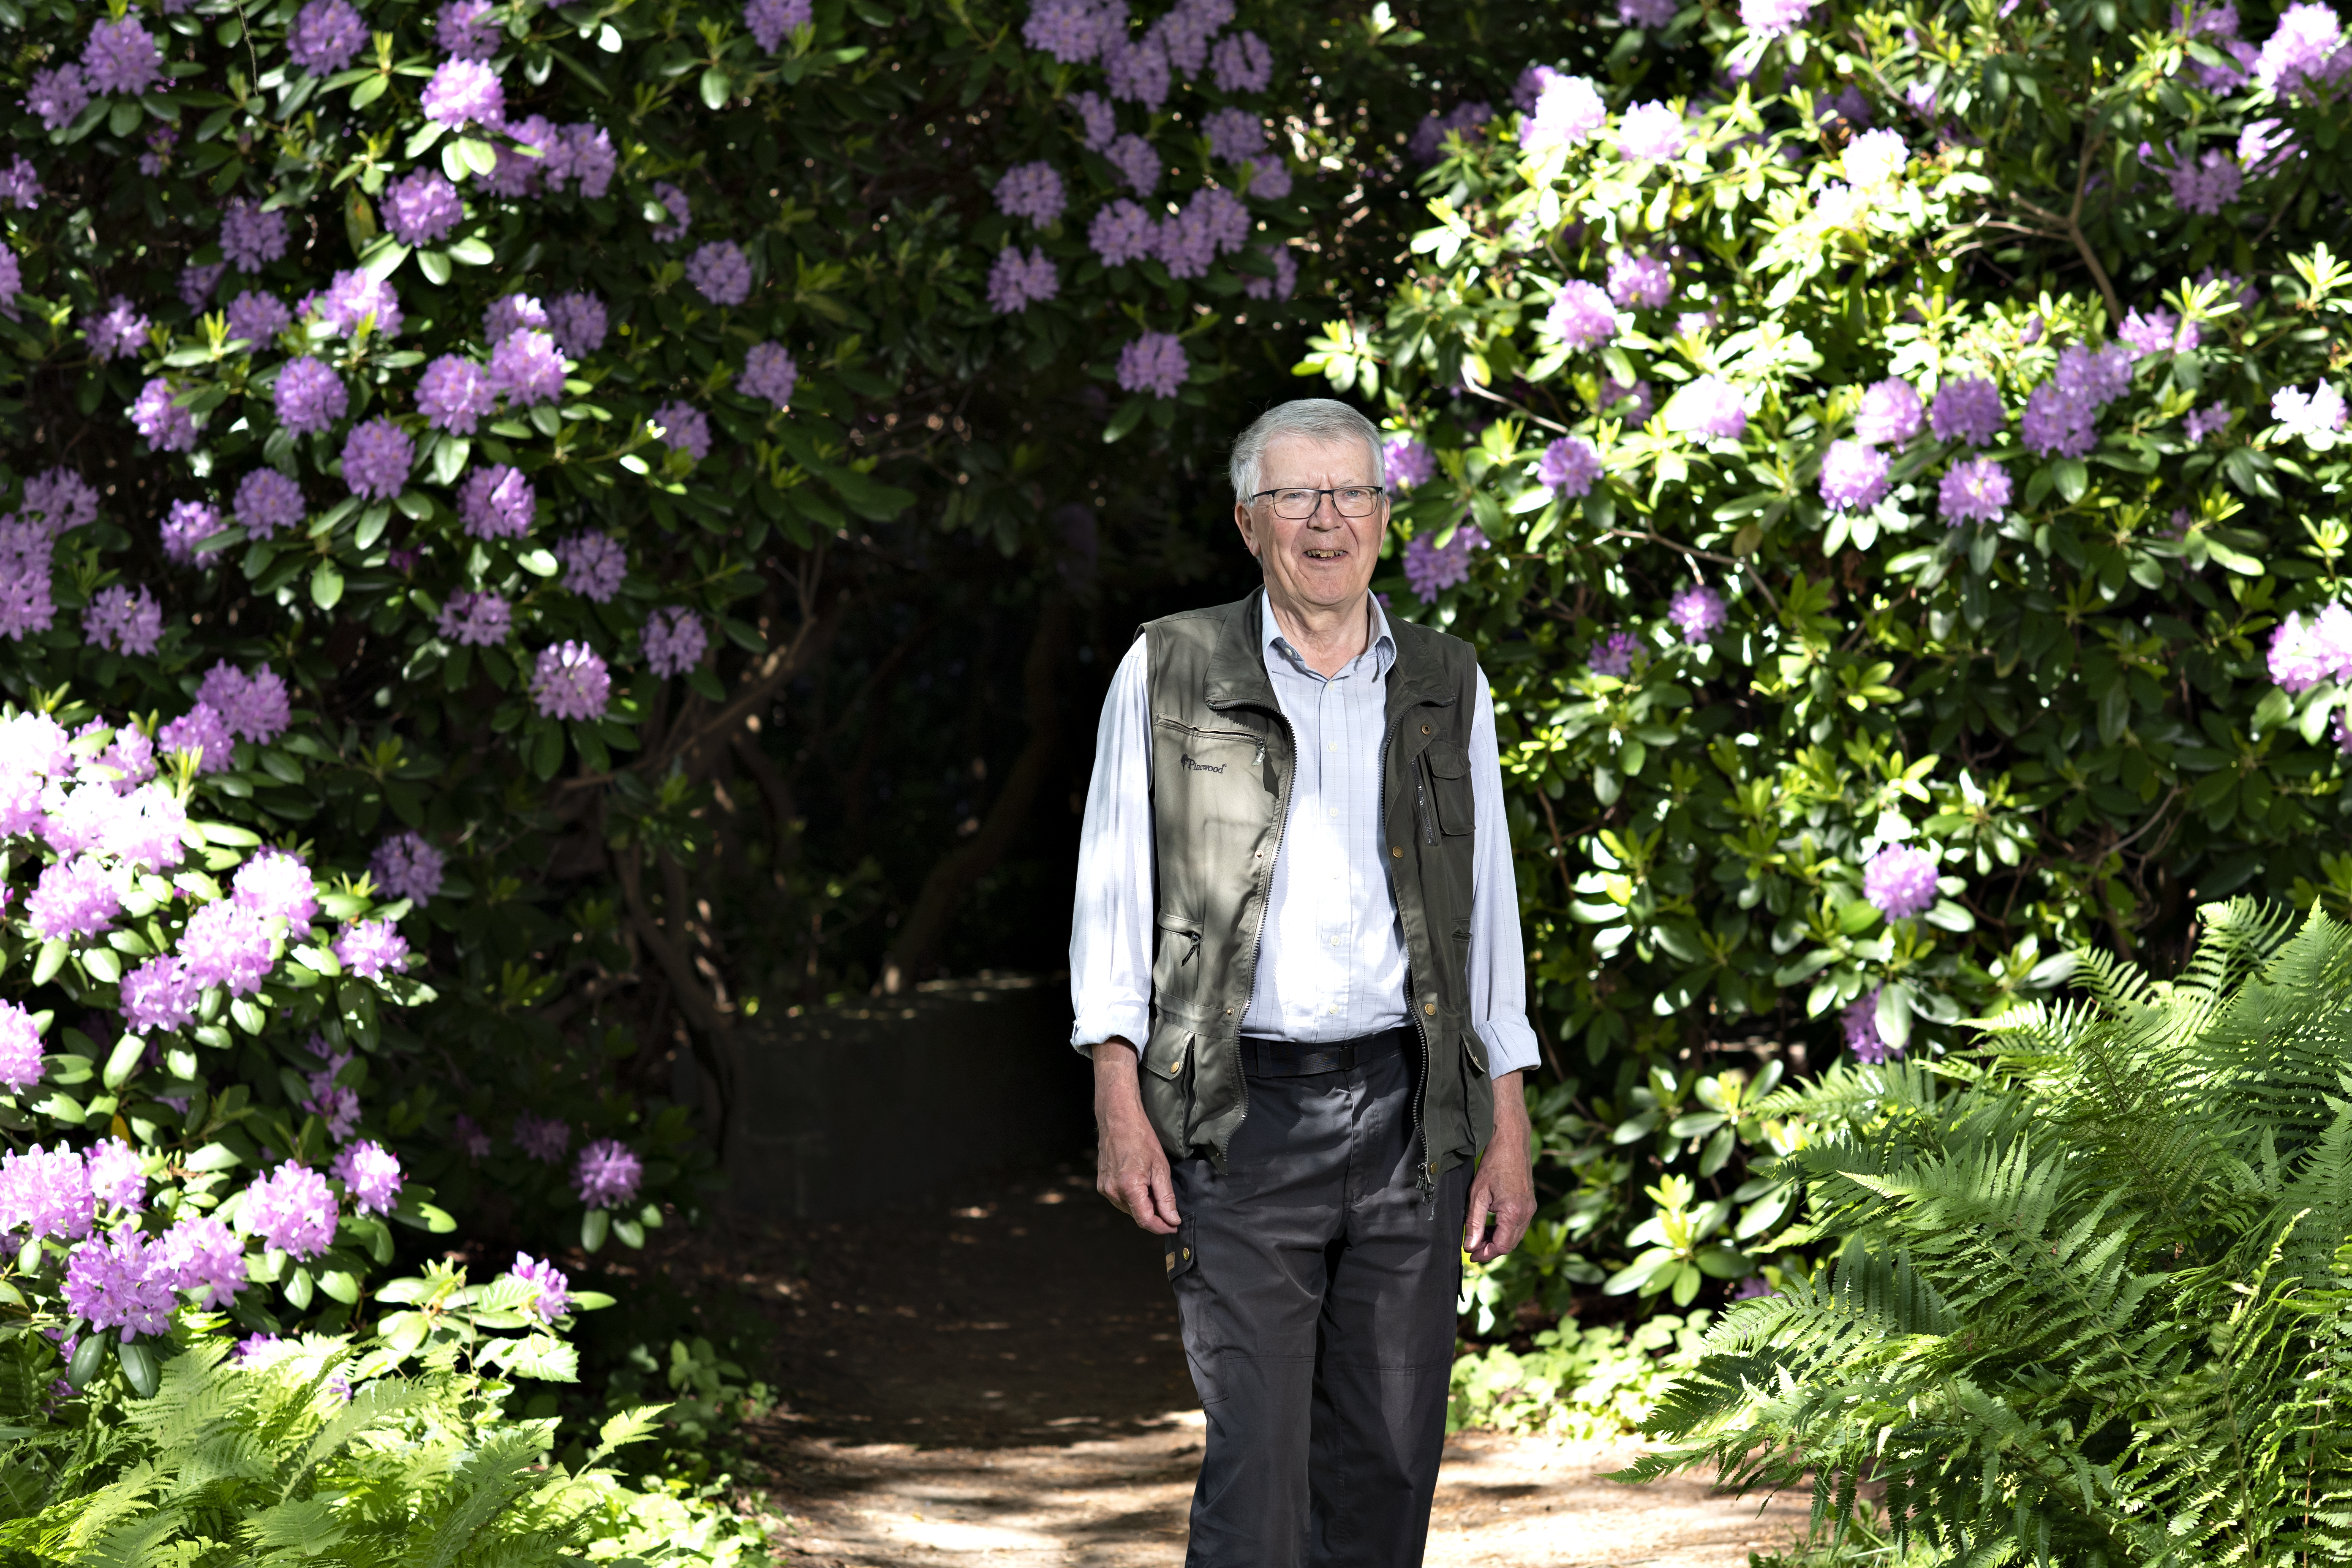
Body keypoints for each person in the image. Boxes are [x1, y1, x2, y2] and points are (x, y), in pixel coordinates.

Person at [1068, 397, 1538, 1568]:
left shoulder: (1446, 681)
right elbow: (1115, 891)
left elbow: (1489, 920)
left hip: (1407, 1109)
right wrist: (1116, 1096)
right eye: (1297, 496)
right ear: (1248, 522)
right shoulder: (1168, 666)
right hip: (1239, 1115)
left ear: (1385, 514)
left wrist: (1507, 1122)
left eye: (1352, 494)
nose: (1327, 521)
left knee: (1387, 1461)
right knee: (1259, 1472)